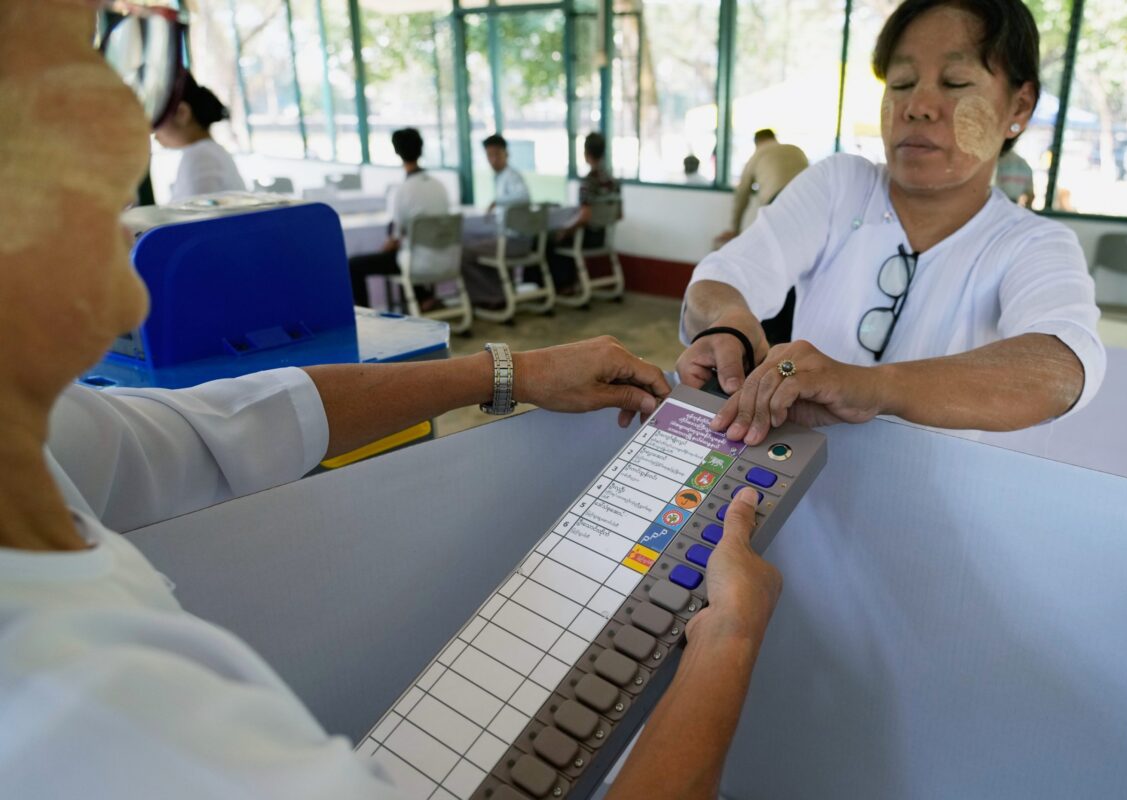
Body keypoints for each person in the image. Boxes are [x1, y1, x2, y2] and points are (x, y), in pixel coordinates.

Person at [0, 3, 783, 797]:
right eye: (84, 46)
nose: (133, 113)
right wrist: (729, 635)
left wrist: (507, 371)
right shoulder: (84, 721)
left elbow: (226, 425)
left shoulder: (42, 445)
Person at [677, 0, 1105, 446]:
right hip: (791, 481)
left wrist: (873, 386)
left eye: (955, 82)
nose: (917, 106)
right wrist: (728, 321)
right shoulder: (841, 185)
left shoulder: (1034, 243)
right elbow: (725, 276)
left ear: (1019, 105)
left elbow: (1062, 364)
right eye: (900, 83)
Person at [346, 128, 450, 308]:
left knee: (355, 264)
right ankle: (423, 297)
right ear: (421, 148)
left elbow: (394, 239)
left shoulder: (403, 191)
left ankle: (368, 318)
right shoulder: (439, 185)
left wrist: (385, 249)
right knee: (403, 251)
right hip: (447, 258)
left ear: (396, 152)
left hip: (416, 262)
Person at [153, 72, 245, 202]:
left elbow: (196, 217)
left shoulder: (200, 157)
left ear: (182, 113)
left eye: (158, 119)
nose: (153, 132)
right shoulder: (206, 152)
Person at [554, 131, 621, 291]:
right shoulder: (613, 182)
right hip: (603, 237)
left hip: (586, 238)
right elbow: (619, 214)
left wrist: (566, 230)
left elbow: (585, 216)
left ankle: (563, 286)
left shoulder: (587, 182)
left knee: (553, 240)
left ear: (586, 153)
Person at [716, 129, 809, 244]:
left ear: (756, 142)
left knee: (777, 244)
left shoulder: (756, 156)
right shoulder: (795, 149)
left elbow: (741, 196)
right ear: (774, 138)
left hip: (778, 201)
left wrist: (735, 229)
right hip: (808, 200)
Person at [482, 133, 530, 223]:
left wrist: (496, 202)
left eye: (497, 154)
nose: (493, 160)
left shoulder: (513, 175)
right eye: (489, 155)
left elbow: (524, 197)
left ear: (506, 154)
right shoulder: (499, 176)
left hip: (516, 233)